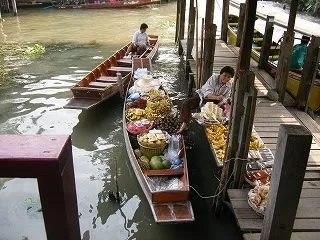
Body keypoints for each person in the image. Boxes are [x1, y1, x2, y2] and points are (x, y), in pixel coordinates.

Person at [177, 66, 235, 134]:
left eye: (229, 77)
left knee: (222, 114)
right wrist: (217, 97)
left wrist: (220, 104)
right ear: (221, 74)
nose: (226, 78)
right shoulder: (214, 78)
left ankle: (221, 131)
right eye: (224, 75)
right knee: (186, 104)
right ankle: (184, 124)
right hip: (203, 95)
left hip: (216, 100)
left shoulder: (229, 84)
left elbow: (225, 98)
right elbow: (207, 94)